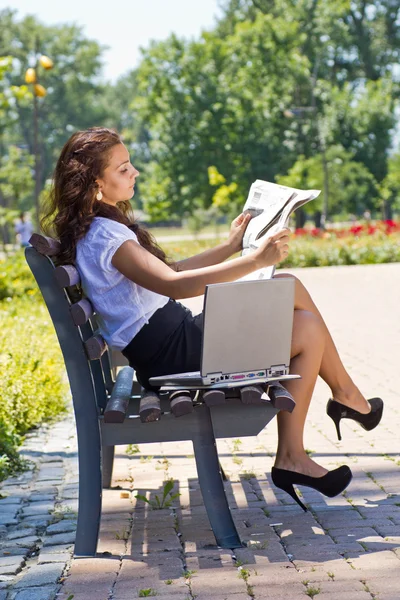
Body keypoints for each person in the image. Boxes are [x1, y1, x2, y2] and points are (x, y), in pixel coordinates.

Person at [41, 127, 383, 511]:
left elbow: (169, 272)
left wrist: (232, 245)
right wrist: (253, 261)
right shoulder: (106, 236)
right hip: (176, 356)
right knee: (304, 321)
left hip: (177, 344)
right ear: (95, 184)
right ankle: (327, 419)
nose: (134, 172)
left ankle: (333, 412)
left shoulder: (98, 229)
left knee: (289, 288)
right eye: (123, 169)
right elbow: (175, 284)